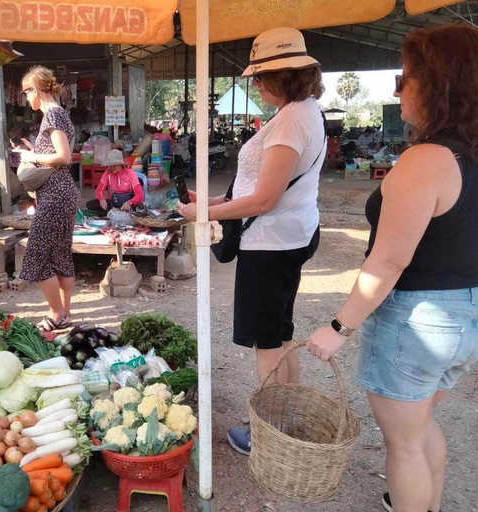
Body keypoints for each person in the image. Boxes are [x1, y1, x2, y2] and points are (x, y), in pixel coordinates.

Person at [305, 24, 478, 512]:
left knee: (405, 445)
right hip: (472, 311)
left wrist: (339, 327)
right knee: (418, 431)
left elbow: (389, 261)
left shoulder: (427, 160)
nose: (398, 89)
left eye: (404, 77)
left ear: (437, 84)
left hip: (418, 323)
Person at [178, 27, 326, 455]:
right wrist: (208, 200)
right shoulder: (305, 111)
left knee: (266, 341)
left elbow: (263, 198)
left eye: (262, 77)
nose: (256, 85)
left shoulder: (292, 119)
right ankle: (288, 421)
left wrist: (203, 213)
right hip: (290, 236)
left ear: (286, 76)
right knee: (280, 334)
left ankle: (266, 435)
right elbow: (258, 185)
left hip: (271, 243)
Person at [13, 66, 77, 332]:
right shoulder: (59, 115)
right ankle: (65, 313)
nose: (27, 99)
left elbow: (63, 157)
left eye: (27, 93)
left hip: (55, 195)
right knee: (60, 254)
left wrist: (31, 157)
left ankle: (57, 314)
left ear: (35, 90)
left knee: (38, 256)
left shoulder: (52, 115)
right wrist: (35, 150)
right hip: (62, 193)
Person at [86, 149, 143, 214]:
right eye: (110, 165)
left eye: (114, 165)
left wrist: (130, 202)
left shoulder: (129, 173)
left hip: (128, 203)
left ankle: (113, 213)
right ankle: (115, 212)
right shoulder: (108, 172)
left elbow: (139, 194)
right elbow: (99, 190)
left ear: (120, 164)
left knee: (140, 206)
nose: (112, 167)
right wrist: (101, 199)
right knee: (90, 204)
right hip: (115, 202)